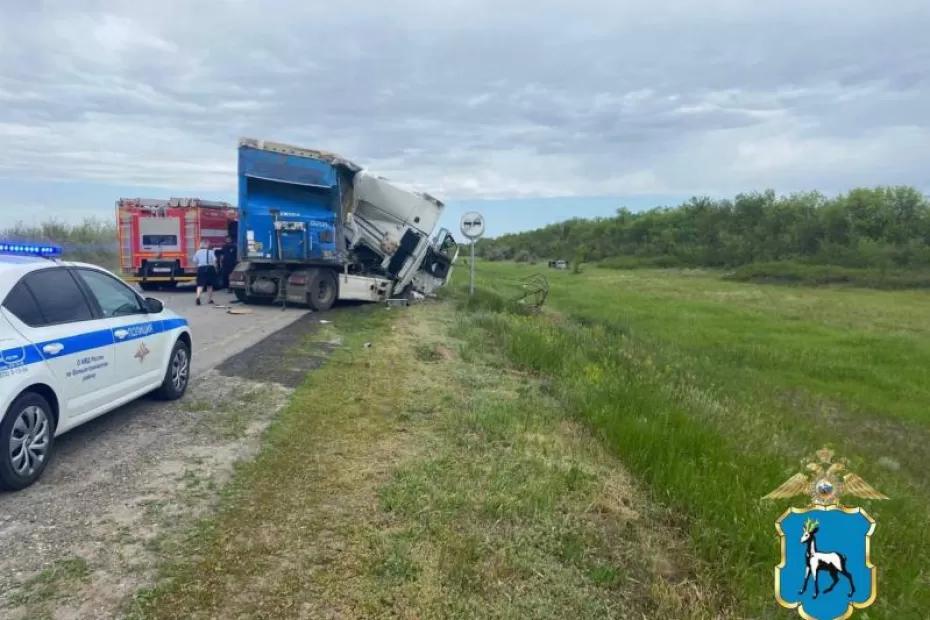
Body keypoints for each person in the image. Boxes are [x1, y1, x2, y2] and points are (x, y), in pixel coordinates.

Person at [192, 240, 217, 306]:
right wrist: (216, 268)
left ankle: (198, 297)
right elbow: (215, 260)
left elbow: (194, 260)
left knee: (200, 285)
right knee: (210, 285)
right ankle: (209, 299)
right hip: (210, 268)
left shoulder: (198, 252)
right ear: (207, 245)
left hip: (201, 268)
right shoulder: (211, 252)